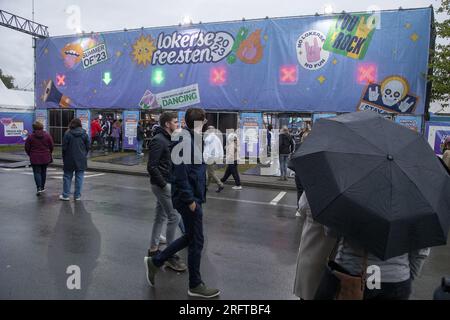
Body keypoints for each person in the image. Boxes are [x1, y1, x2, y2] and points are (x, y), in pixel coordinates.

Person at [145, 107, 220, 299]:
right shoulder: (183, 139)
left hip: (194, 196)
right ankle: (195, 284)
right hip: (189, 199)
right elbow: (180, 173)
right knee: (197, 240)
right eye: (203, 121)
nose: (205, 125)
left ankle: (156, 261)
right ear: (199, 122)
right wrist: (189, 200)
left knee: (191, 237)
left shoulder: (194, 138)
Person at [315, 234, 430, 300]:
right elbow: (420, 252)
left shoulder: (353, 196)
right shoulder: (412, 204)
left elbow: (331, 232)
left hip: (353, 275)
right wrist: (408, 277)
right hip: (397, 280)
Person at [146, 111, 187, 272]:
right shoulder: (158, 140)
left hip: (167, 182)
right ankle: (170, 255)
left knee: (160, 216)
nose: (177, 124)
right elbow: (152, 166)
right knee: (174, 217)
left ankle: (153, 249)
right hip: (163, 184)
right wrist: (164, 185)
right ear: (167, 124)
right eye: (175, 122)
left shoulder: (169, 138)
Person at [293, 192, 337, 300]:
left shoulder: (311, 191)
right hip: (326, 258)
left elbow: (300, 215)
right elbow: (331, 231)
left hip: (307, 253)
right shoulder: (338, 199)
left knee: (306, 293)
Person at [59, 118, 90, 201]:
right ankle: (77, 196)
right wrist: (84, 154)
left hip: (69, 158)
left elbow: (64, 148)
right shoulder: (84, 134)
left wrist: (64, 157)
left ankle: (65, 195)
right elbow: (88, 147)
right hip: (81, 159)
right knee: (79, 177)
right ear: (80, 124)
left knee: (67, 177)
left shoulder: (67, 134)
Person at [24, 121, 54, 196]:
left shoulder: (30, 137)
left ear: (34, 128)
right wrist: (49, 152)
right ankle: (43, 187)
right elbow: (51, 146)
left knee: (37, 173)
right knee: (43, 172)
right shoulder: (47, 135)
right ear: (42, 127)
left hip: (35, 157)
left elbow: (27, 148)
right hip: (45, 157)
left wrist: (30, 154)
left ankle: (39, 188)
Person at [203, 126, 224, 193]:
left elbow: (207, 150)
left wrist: (205, 157)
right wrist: (220, 157)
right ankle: (206, 186)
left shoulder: (208, 139)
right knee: (210, 173)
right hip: (215, 157)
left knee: (211, 172)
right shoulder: (217, 138)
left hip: (210, 157)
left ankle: (220, 184)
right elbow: (220, 148)